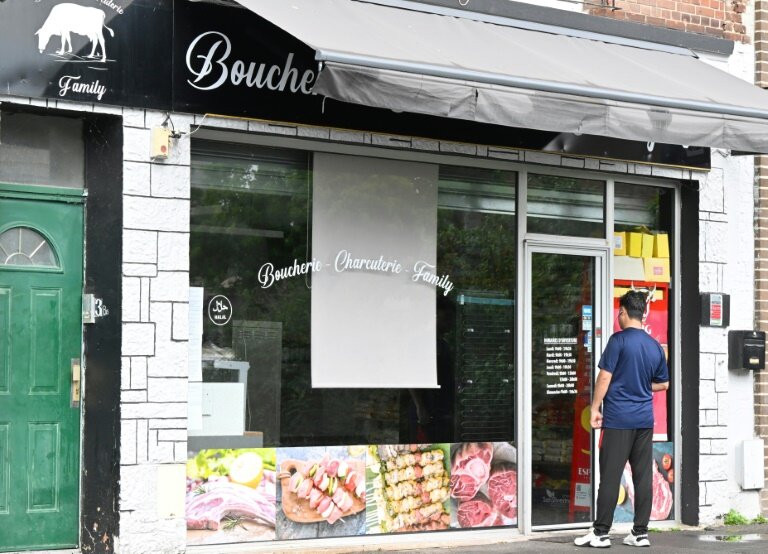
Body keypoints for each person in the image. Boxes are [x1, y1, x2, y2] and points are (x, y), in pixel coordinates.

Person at [575, 290, 669, 548]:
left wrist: (595, 408)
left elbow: (604, 377)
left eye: (620, 312)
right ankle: (640, 533)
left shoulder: (618, 341)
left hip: (617, 420)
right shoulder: (654, 345)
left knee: (610, 476)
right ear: (644, 314)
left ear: (624, 313)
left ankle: (600, 533)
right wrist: (638, 385)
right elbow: (664, 384)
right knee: (642, 478)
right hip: (644, 422)